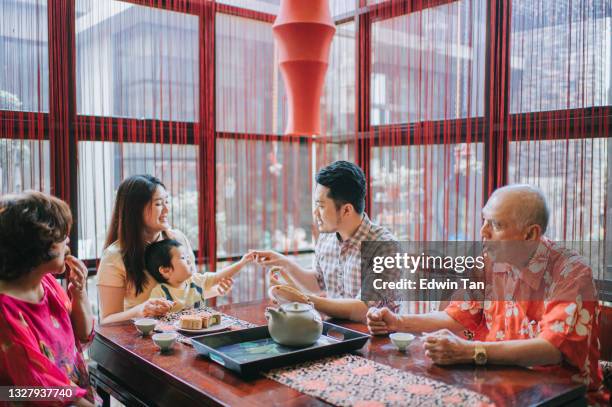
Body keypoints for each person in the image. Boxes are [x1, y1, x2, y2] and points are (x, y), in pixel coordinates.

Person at [367, 185, 607, 403]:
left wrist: (471, 351)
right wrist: (398, 322)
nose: (483, 231)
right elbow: (459, 315)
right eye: (484, 221)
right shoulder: (489, 261)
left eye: (497, 225)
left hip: (560, 395)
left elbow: (550, 348)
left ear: (530, 234)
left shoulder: (571, 272)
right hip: (496, 382)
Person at [252, 161, 398, 322]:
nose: (315, 213)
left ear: (346, 210)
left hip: (376, 341)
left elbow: (363, 309)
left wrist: (304, 299)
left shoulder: (385, 247)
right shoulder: (327, 238)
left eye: (321, 206)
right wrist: (283, 262)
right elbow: (317, 282)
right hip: (335, 335)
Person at [0, 191, 95, 406]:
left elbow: (83, 334)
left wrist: (78, 292)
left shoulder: (46, 282)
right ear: (41, 245)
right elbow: (39, 390)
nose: (68, 240)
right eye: (62, 236)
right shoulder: (6, 312)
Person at [97, 175, 230, 324]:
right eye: (159, 204)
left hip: (183, 334)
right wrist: (141, 310)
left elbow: (186, 292)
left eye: (167, 201)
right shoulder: (114, 256)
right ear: (136, 209)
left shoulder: (178, 239)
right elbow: (107, 320)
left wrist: (215, 289)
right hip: (140, 341)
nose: (167, 209)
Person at [145, 239, 251, 312]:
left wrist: (242, 262)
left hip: (201, 332)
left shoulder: (196, 280)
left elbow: (220, 276)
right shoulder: (160, 293)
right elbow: (154, 317)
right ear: (166, 270)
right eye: (183, 258)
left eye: (188, 257)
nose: (189, 260)